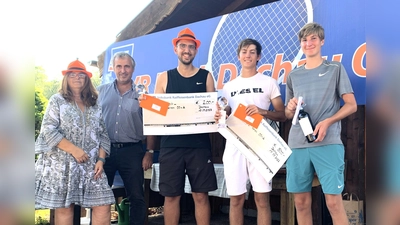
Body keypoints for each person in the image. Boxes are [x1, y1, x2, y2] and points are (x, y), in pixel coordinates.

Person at [284, 22, 357, 225]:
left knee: (333, 203)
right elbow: (287, 114)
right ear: (301, 44)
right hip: (298, 144)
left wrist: (328, 121)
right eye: (305, 40)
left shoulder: (335, 68)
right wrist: (290, 107)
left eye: (313, 38)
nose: (309, 43)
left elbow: (351, 105)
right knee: (300, 203)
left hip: (328, 142)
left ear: (322, 41)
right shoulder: (293, 74)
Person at [146, 27, 218, 225]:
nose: (187, 50)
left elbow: (213, 111)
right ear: (176, 49)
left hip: (199, 146)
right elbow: (155, 114)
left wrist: (218, 112)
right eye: (183, 46)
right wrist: (146, 105)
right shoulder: (164, 77)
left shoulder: (206, 77)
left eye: (191, 47)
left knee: (201, 196)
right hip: (171, 146)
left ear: (196, 51)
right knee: (171, 196)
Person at [214, 38, 286, 225]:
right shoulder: (228, 87)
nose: (248, 55)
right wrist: (221, 113)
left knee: (262, 200)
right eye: (244, 51)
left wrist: (263, 112)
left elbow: (282, 114)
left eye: (252, 52)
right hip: (235, 145)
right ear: (239, 56)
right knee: (236, 200)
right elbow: (226, 112)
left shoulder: (269, 82)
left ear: (259, 56)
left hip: (259, 145)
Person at [35, 59, 115, 225]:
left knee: (103, 204)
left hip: (91, 165)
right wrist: (74, 150)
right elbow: (48, 130)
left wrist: (101, 159)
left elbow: (103, 134)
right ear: (66, 78)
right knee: (66, 208)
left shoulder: (94, 103)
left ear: (87, 79)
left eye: (81, 75)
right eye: (72, 74)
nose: (77, 78)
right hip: (63, 165)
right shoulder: (57, 100)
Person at [97, 52, 153, 225]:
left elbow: (151, 124)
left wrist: (149, 152)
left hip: (133, 151)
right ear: (113, 68)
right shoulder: (100, 92)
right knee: (99, 197)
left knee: (136, 197)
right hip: (104, 152)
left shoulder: (143, 94)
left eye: (127, 66)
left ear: (133, 69)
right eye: (119, 66)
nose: (123, 70)